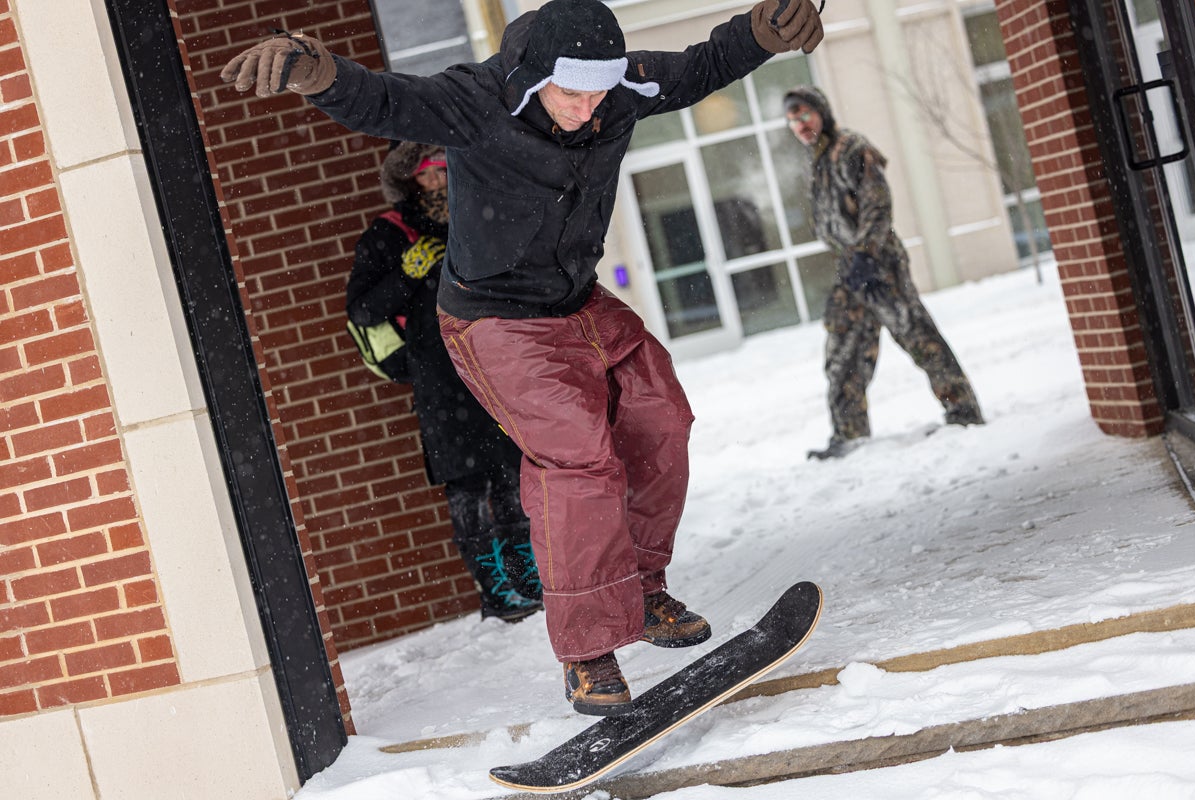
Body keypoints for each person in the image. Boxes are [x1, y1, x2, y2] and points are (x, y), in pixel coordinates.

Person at [221, 0, 824, 716]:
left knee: (661, 414)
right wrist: (317, 70)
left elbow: (700, 67)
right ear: (536, 78)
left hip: (577, 303)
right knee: (578, 458)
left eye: (598, 92)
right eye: (572, 93)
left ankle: (641, 589)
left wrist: (762, 29)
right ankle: (587, 653)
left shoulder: (619, 89)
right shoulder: (477, 100)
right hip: (497, 321)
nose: (587, 107)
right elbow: (387, 101)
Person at [346, 141, 542, 623]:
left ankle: (528, 578)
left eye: (442, 171)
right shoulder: (389, 236)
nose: (436, 183)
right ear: (410, 181)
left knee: (513, 484)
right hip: (440, 388)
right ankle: (496, 591)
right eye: (426, 175)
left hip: (494, 376)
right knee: (469, 491)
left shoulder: (480, 221)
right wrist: (408, 271)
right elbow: (363, 310)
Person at [782, 85, 985, 461]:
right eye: (793, 119)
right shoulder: (821, 160)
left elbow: (877, 204)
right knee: (842, 349)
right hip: (850, 269)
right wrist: (852, 260)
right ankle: (849, 434)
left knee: (917, 336)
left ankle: (964, 411)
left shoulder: (851, 149)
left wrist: (866, 254)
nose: (800, 124)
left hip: (879, 262)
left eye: (805, 114)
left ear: (821, 112)